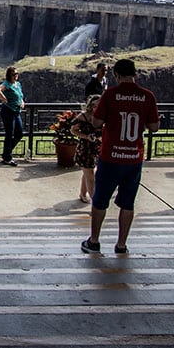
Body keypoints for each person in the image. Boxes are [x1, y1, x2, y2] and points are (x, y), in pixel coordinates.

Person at [80, 59, 160, 255]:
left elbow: (97, 122)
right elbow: (154, 127)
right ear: (135, 74)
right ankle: (122, 245)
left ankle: (94, 241)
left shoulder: (110, 95)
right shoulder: (147, 96)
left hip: (110, 156)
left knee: (100, 201)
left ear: (116, 75)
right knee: (127, 203)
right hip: (133, 157)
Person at [71, 94, 102, 204]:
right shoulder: (83, 117)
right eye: (95, 105)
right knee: (90, 176)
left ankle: (83, 194)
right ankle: (96, 201)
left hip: (98, 148)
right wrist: (86, 136)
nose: (97, 108)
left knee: (88, 172)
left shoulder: (103, 117)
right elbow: (73, 130)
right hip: (85, 149)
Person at [0, 66, 24, 166]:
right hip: (8, 111)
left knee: (19, 133)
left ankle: (6, 153)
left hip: (16, 111)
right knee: (9, 134)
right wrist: (4, 99)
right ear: (9, 75)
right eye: (14, 74)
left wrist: (22, 102)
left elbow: (20, 95)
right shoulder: (7, 84)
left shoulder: (18, 84)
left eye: (17, 74)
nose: (16, 76)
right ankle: (7, 157)